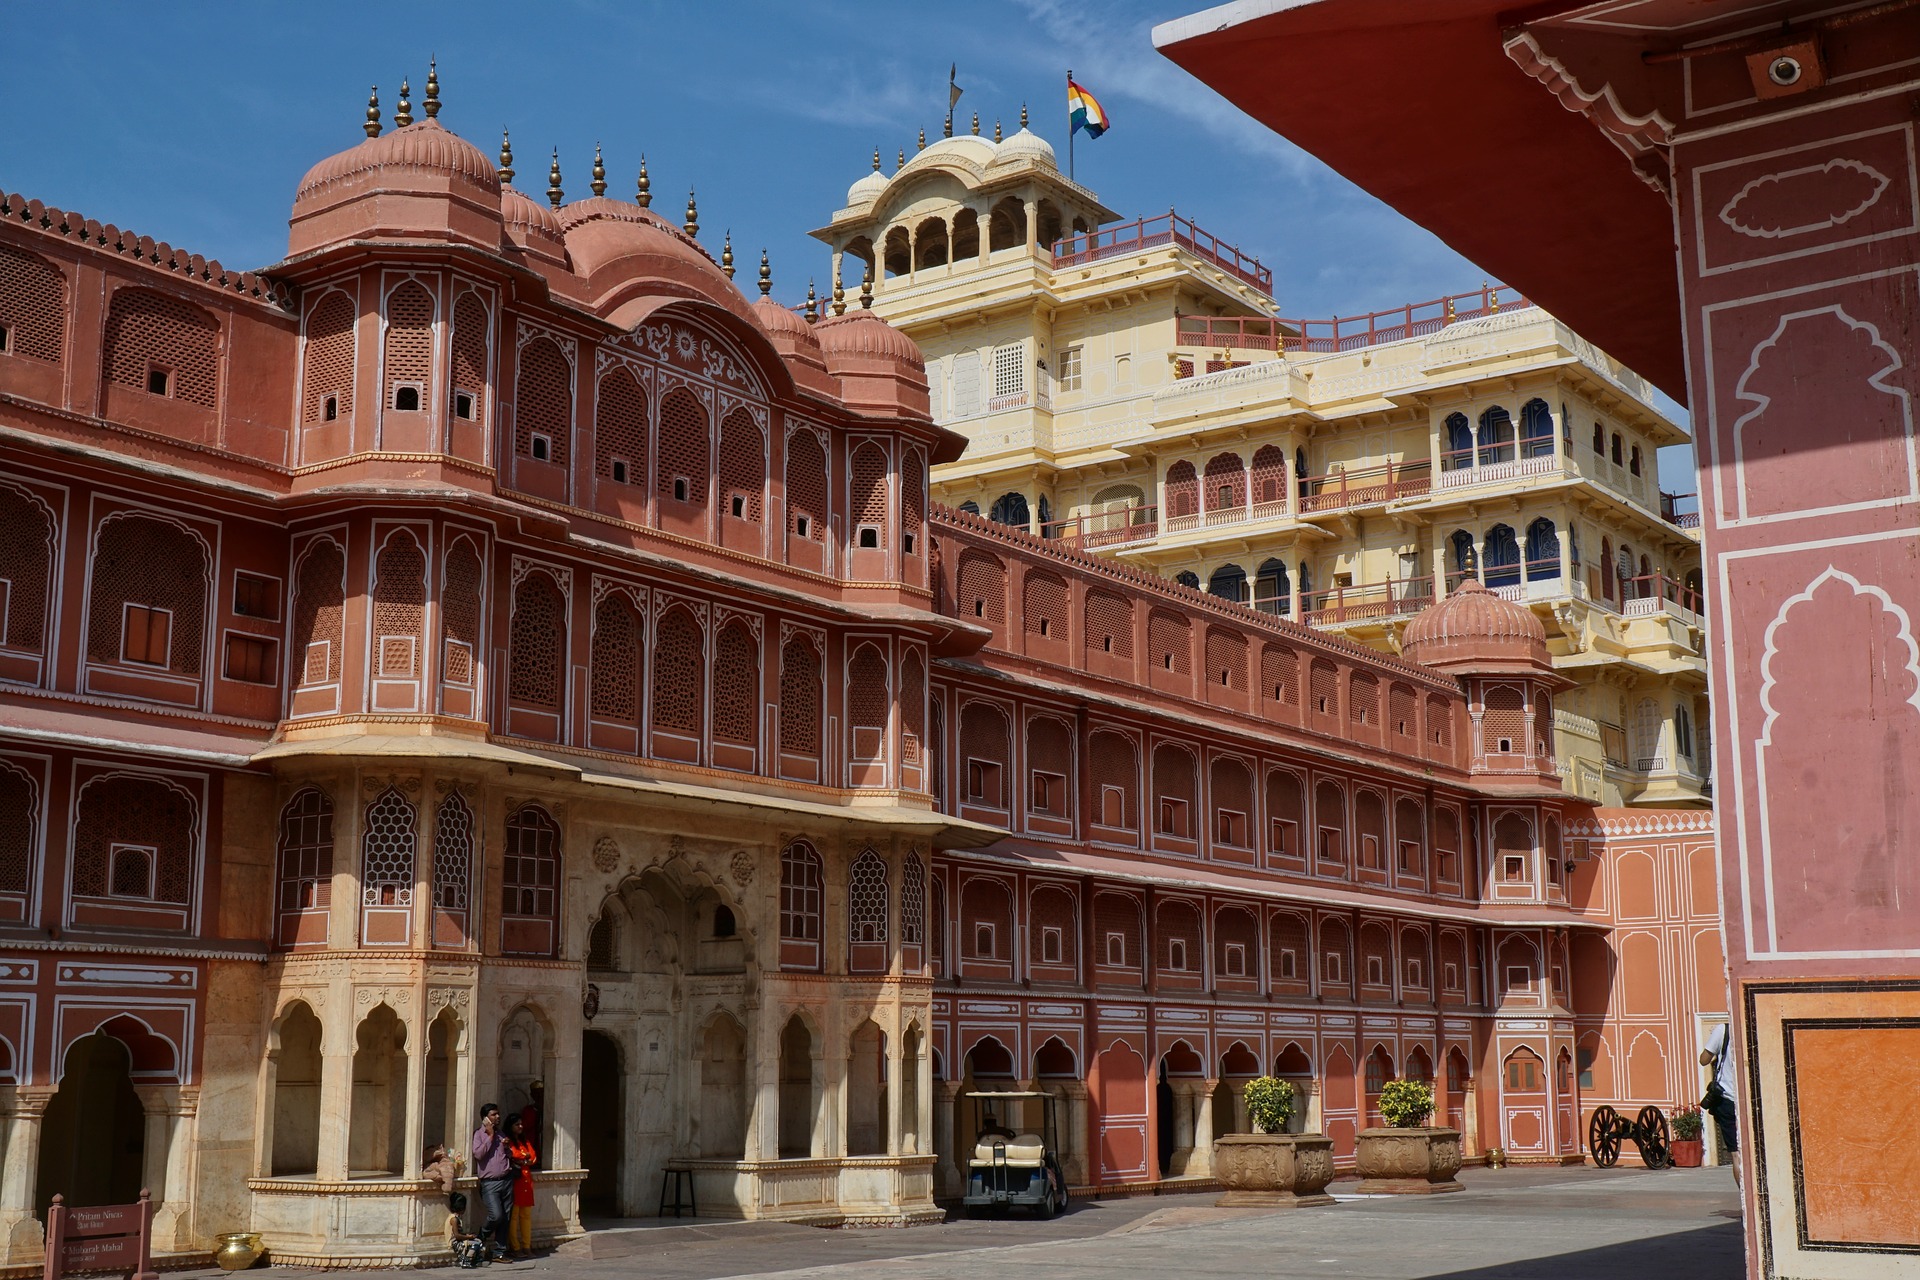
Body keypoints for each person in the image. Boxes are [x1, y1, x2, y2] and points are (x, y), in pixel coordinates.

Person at [471, 1102, 515, 1261]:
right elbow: (478, 1154)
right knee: (496, 1215)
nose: (497, 1117)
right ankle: (481, 1236)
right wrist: (489, 1136)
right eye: (493, 1115)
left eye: (498, 1114)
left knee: (506, 1217)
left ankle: (499, 1252)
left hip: (506, 1180)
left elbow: (508, 1155)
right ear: (485, 1118)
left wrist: (508, 1147)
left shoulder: (501, 1134)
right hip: (490, 1182)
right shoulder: (479, 1134)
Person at [1699, 1024, 1739, 1183]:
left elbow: (1704, 1060)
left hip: (1727, 1099)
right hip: (1754, 1100)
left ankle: (1744, 1197)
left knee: (1736, 1154)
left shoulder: (1724, 1030)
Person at [506, 1113, 539, 1259]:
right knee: (514, 1215)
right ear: (510, 1126)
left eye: (521, 1124)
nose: (520, 1127)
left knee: (526, 1216)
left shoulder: (524, 1140)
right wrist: (524, 1158)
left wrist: (524, 1159)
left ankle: (526, 1246)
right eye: (516, 1124)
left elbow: (533, 1156)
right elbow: (514, 1155)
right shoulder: (508, 1140)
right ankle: (515, 1246)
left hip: (526, 1180)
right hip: (516, 1180)